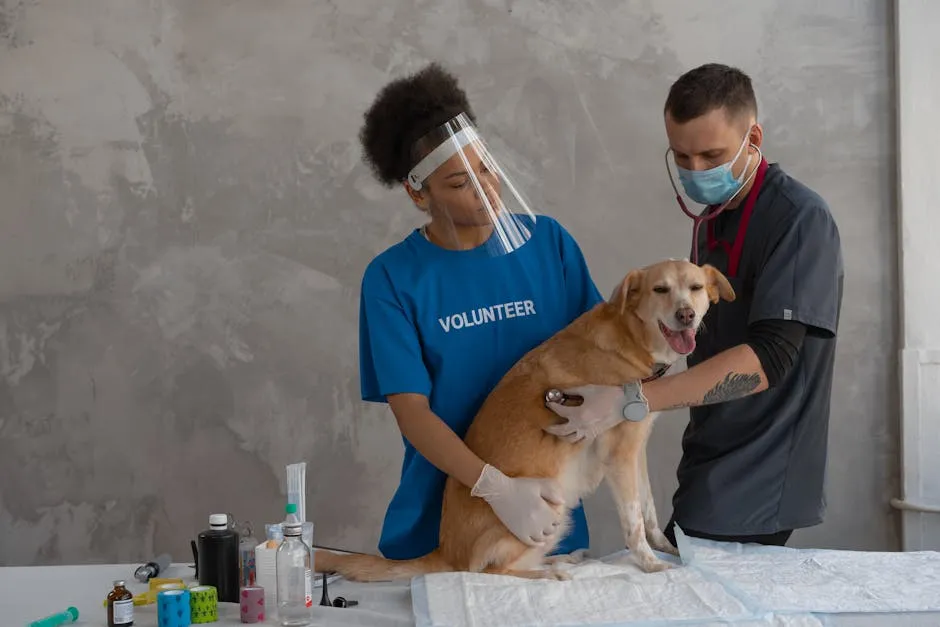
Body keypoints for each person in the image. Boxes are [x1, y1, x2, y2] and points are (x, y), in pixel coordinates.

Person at [543, 63, 844, 547]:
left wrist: (629, 402)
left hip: (762, 470)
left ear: (754, 138)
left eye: (712, 154)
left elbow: (771, 359)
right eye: (682, 156)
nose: (696, 171)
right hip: (709, 455)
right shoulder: (711, 221)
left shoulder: (799, 220)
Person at [357, 62, 605, 561]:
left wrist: (617, 400)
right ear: (417, 192)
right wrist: (494, 489)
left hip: (545, 526)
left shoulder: (548, 243)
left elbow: (602, 351)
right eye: (459, 182)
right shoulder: (393, 279)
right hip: (444, 533)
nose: (486, 188)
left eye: (487, 167)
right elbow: (414, 415)